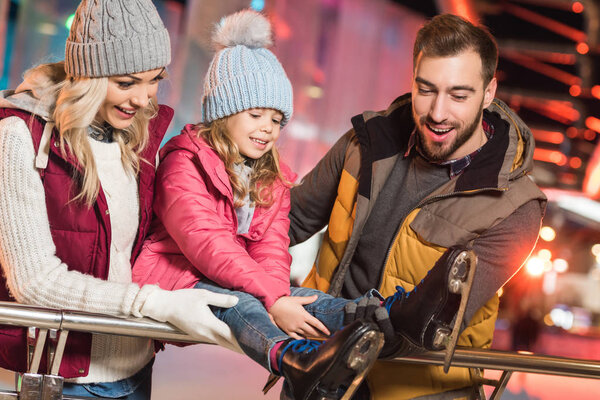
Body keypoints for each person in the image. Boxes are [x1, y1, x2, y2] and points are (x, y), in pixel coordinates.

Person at [132, 10, 388, 400]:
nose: (268, 128)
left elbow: (271, 247)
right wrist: (274, 298)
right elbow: (208, 244)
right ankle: (295, 361)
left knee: (306, 299)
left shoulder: (270, 177)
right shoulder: (183, 160)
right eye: (255, 115)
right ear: (223, 113)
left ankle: (382, 317)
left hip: (237, 281)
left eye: (276, 119)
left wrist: (281, 296)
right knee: (241, 302)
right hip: (177, 278)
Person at [288, 13, 547, 400]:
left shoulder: (515, 205)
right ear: (412, 79)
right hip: (320, 373)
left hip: (421, 391)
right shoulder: (365, 144)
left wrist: (321, 316)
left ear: (489, 92)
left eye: (459, 96)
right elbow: (286, 222)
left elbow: (427, 323)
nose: (438, 112)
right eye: (426, 90)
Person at [0, 1, 241, 398]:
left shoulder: (137, 138)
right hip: (64, 380)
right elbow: (35, 281)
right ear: (87, 76)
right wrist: (157, 304)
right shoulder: (20, 136)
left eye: (154, 80)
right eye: (127, 83)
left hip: (135, 368)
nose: (144, 99)